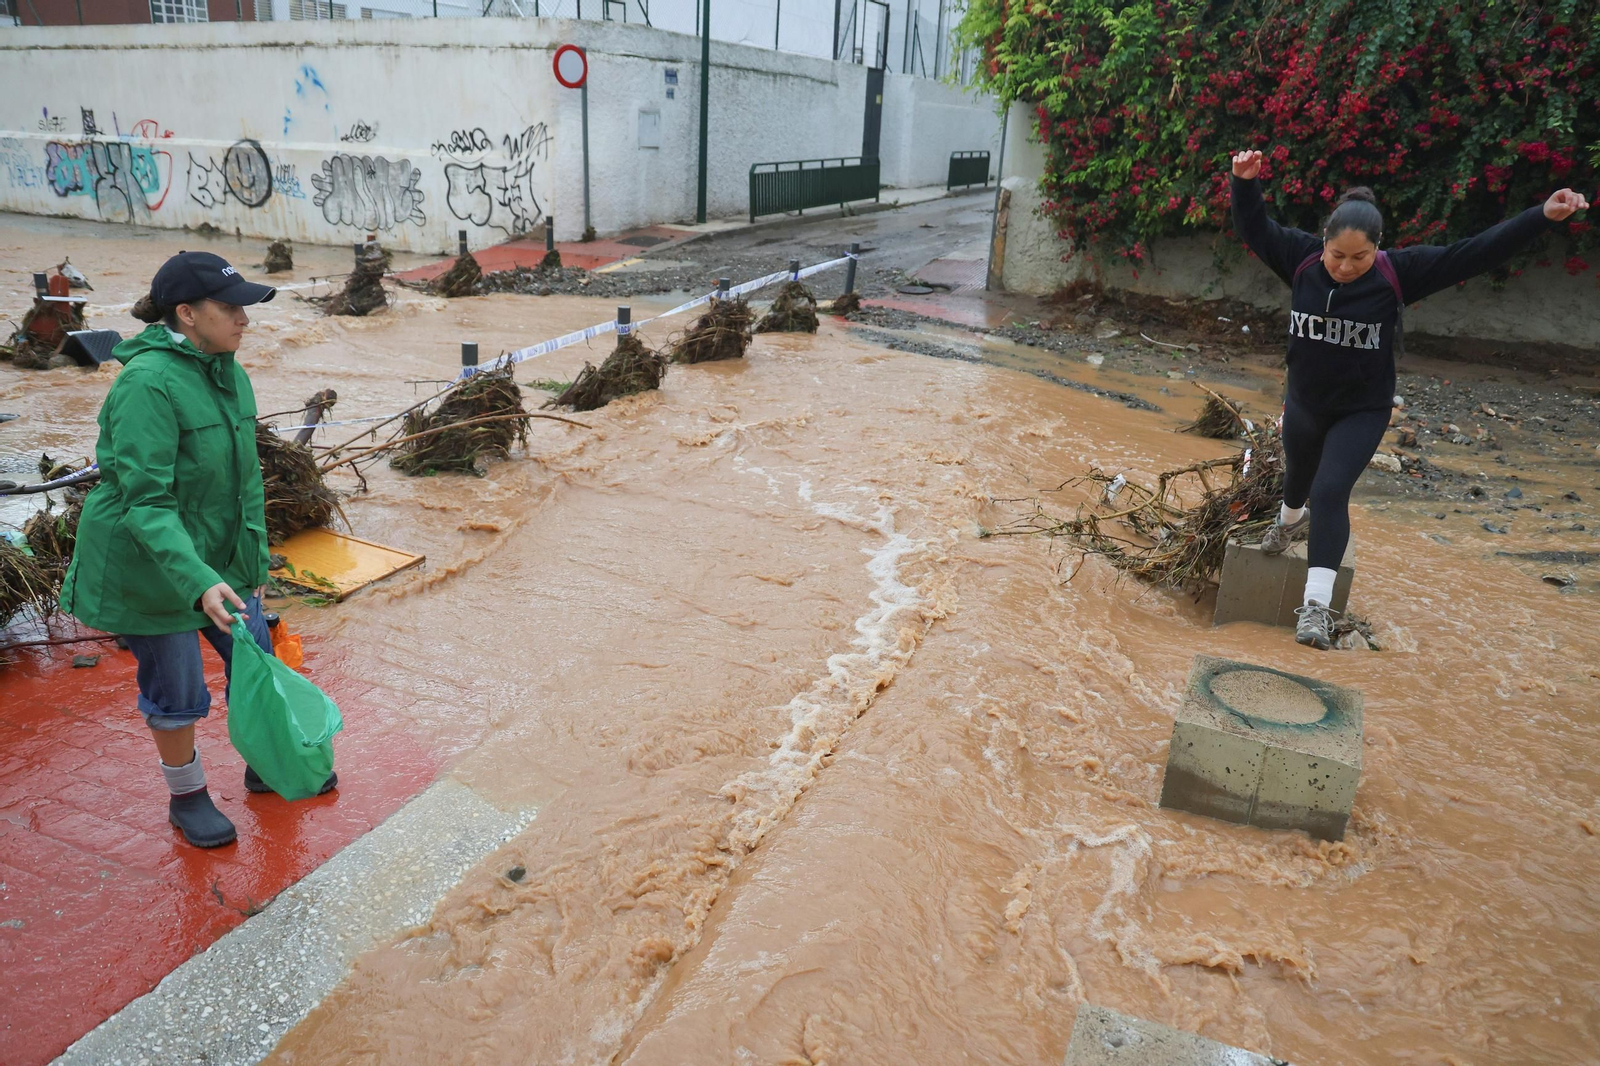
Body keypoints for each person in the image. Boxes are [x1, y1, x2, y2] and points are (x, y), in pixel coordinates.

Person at [1229, 151, 1589, 649]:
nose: (1347, 267)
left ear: (1378, 249)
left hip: (1362, 410)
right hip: (1306, 400)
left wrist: (1540, 216)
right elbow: (1254, 226)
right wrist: (1245, 182)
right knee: (1297, 474)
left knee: (1330, 491)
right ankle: (1289, 520)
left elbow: (1475, 251)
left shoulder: (1400, 272)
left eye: (1360, 258)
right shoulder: (1301, 258)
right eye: (1338, 256)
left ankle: (1314, 609)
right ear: (1324, 242)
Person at [60, 251, 336, 848]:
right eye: (230, 307)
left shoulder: (227, 368)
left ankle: (264, 757)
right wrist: (197, 579)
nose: (244, 319)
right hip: (148, 565)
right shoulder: (146, 384)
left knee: (254, 659)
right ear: (186, 314)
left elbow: (245, 482)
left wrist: (252, 563)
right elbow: (146, 503)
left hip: (219, 558)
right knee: (177, 690)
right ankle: (187, 797)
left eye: (244, 307)